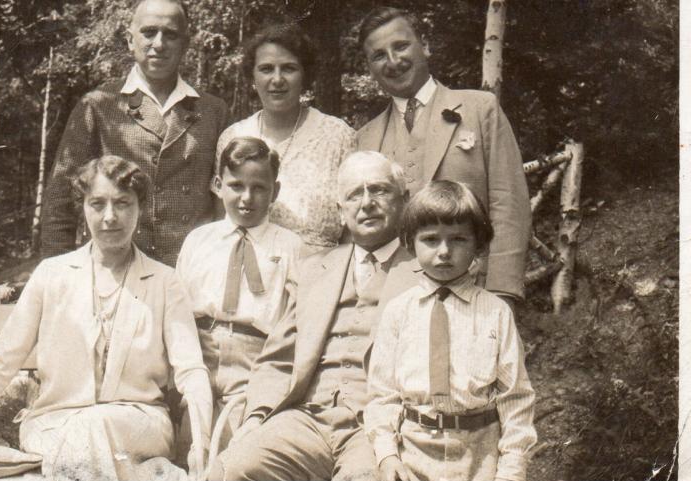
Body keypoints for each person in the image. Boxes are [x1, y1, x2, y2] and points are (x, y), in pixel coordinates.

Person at [0, 156, 213, 481]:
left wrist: (201, 440)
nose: (110, 216)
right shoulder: (52, 275)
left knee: (95, 426)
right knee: (81, 433)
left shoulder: (165, 282)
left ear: (141, 207)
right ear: (83, 207)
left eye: (123, 203)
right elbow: (0, 361)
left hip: (137, 425)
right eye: (98, 204)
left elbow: (191, 370)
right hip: (54, 423)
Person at [207, 151, 419, 481]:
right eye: (354, 194)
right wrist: (255, 418)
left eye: (379, 190)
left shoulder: (424, 275)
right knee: (238, 467)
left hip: (377, 428)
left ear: (403, 200)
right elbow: (278, 358)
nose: (367, 203)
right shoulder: (316, 269)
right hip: (307, 418)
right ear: (340, 211)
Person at [364, 180, 536, 481]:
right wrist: (387, 454)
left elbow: (516, 399)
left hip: (481, 456)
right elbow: (382, 394)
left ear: (479, 245)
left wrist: (511, 474)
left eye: (458, 239)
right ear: (410, 243)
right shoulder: (398, 311)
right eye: (431, 239)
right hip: (412, 453)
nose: (444, 251)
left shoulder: (496, 313)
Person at [356, 7, 531, 304]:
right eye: (379, 55)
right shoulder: (364, 139)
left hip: (476, 292)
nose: (393, 61)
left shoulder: (479, 109)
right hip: (394, 302)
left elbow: (509, 204)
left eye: (400, 46)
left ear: (424, 45)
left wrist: (502, 293)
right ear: (370, 67)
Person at [41, 0, 230, 267]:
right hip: (116, 273)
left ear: (186, 44)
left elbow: (228, 203)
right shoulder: (98, 105)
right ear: (130, 40)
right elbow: (60, 202)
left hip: (193, 272)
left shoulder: (213, 111)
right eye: (149, 32)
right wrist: (58, 277)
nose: (160, 44)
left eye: (171, 34)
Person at [175, 137, 302, 452]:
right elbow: (177, 311)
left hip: (256, 359)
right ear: (218, 184)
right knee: (190, 441)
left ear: (276, 191)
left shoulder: (290, 247)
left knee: (240, 447)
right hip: (199, 352)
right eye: (236, 186)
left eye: (259, 188)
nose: (247, 198)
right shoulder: (198, 241)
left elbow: (294, 320)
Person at [217, 23, 356, 254]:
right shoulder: (232, 137)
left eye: (289, 68)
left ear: (305, 75)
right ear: (252, 76)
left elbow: (354, 227)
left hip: (323, 278)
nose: (277, 79)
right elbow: (220, 223)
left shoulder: (338, 136)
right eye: (266, 69)